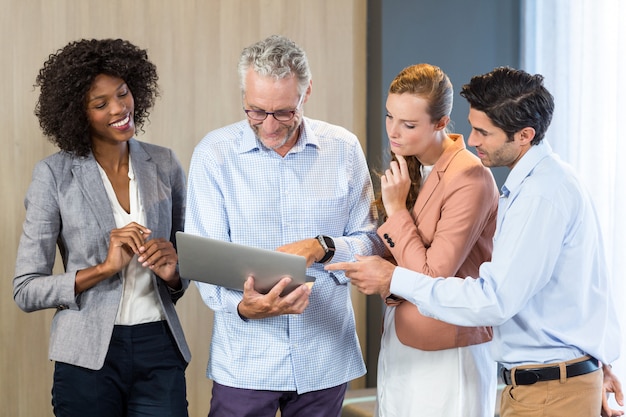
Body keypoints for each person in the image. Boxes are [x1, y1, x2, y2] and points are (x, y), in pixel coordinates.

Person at [327, 66, 624, 417]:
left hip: (549, 389)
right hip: (550, 382)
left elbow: (493, 299)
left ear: (525, 135)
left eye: (484, 132)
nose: (472, 139)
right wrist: (595, 362)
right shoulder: (542, 183)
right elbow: (587, 286)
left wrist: (393, 278)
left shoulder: (539, 196)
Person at [185, 34, 383, 417]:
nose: (269, 125)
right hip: (245, 360)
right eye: (256, 112)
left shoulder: (343, 148)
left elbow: (372, 241)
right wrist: (242, 307)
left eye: (284, 113)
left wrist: (323, 246)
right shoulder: (214, 154)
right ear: (243, 96)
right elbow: (202, 257)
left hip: (325, 355)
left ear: (306, 93)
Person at [13, 39, 191, 417]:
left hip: (159, 346)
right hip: (86, 355)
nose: (119, 108)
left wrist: (174, 273)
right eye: (101, 104)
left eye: (123, 93)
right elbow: (26, 289)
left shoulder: (165, 163)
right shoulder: (54, 175)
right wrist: (103, 269)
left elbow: (183, 271)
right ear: (79, 114)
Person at [371, 63, 498, 417]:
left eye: (408, 125)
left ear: (441, 123)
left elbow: (432, 275)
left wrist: (396, 210)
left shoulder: (469, 176)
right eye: (389, 116)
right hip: (402, 340)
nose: (393, 132)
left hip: (446, 352)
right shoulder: (406, 167)